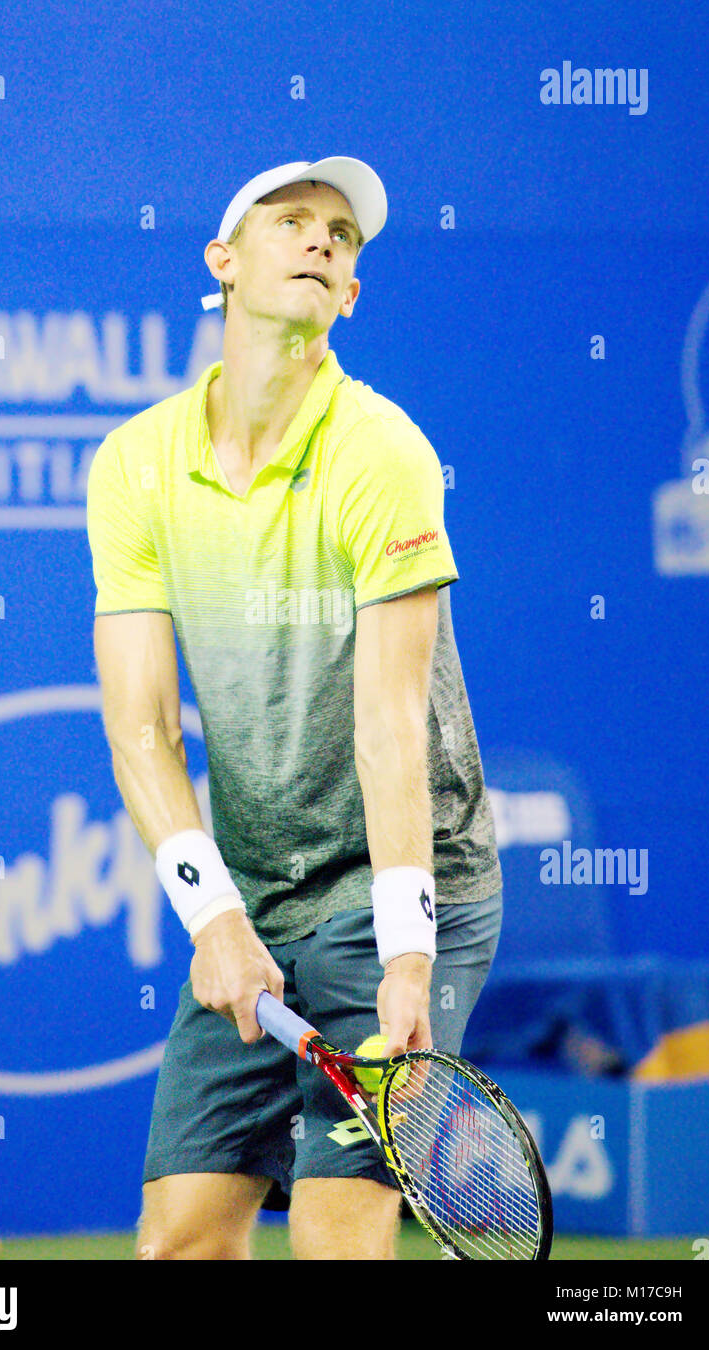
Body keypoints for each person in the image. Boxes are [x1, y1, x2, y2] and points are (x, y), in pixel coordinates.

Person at [86, 157, 504, 1260]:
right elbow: (140, 728)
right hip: (260, 893)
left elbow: (387, 726)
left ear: (350, 295)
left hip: (405, 886)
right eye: (289, 221)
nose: (320, 240)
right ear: (222, 263)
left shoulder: (380, 453)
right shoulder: (135, 466)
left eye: (341, 237)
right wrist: (212, 917)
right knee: (177, 1240)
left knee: (333, 1240)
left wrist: (409, 956)